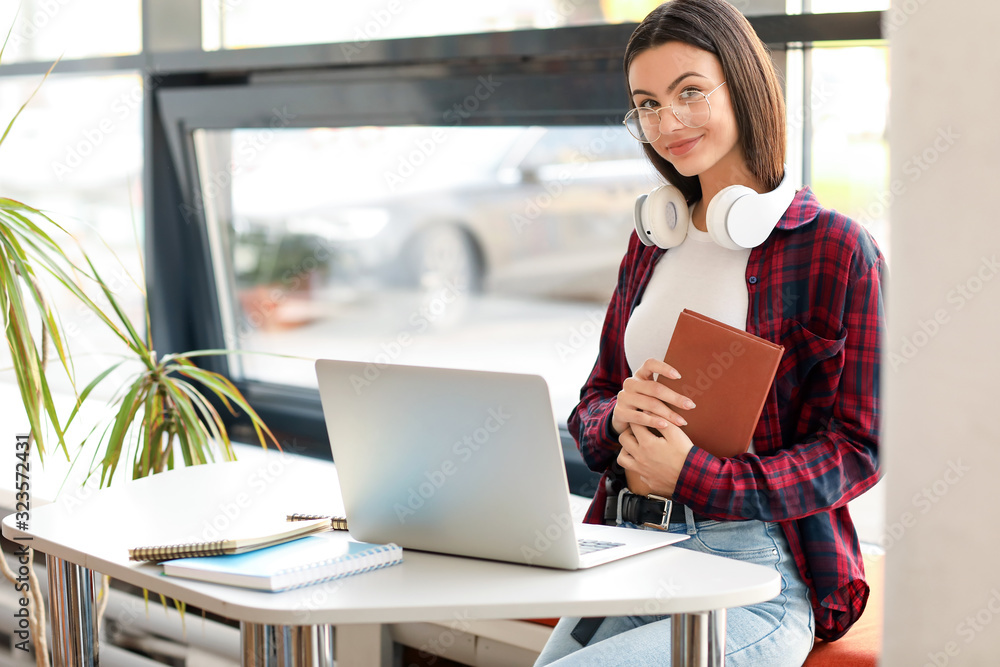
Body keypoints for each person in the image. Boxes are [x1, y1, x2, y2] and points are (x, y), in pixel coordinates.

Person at [534, 0, 886, 665]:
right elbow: (593, 402)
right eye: (647, 103)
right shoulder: (653, 241)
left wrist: (697, 474)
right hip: (633, 545)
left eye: (689, 92)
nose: (667, 122)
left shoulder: (837, 250)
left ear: (744, 85)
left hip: (756, 574)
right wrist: (615, 417)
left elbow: (858, 448)